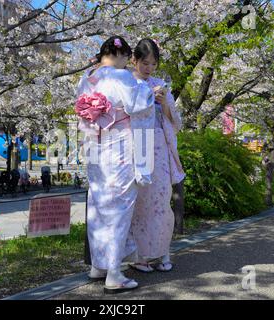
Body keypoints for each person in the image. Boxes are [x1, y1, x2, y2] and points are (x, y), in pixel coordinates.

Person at [76, 35, 155, 293]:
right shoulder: (121, 77)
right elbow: (137, 104)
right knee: (120, 208)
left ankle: (98, 266)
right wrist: (146, 88)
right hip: (119, 147)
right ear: (122, 55)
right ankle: (114, 273)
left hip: (95, 149)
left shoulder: (87, 78)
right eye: (126, 58)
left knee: (98, 205)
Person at [129, 39, 185, 273]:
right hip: (136, 147)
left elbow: (176, 123)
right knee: (139, 202)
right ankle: (139, 255)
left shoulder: (161, 85)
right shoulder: (127, 83)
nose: (149, 69)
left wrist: (164, 104)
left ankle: (163, 252)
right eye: (145, 63)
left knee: (162, 199)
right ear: (134, 60)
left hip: (159, 147)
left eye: (153, 64)